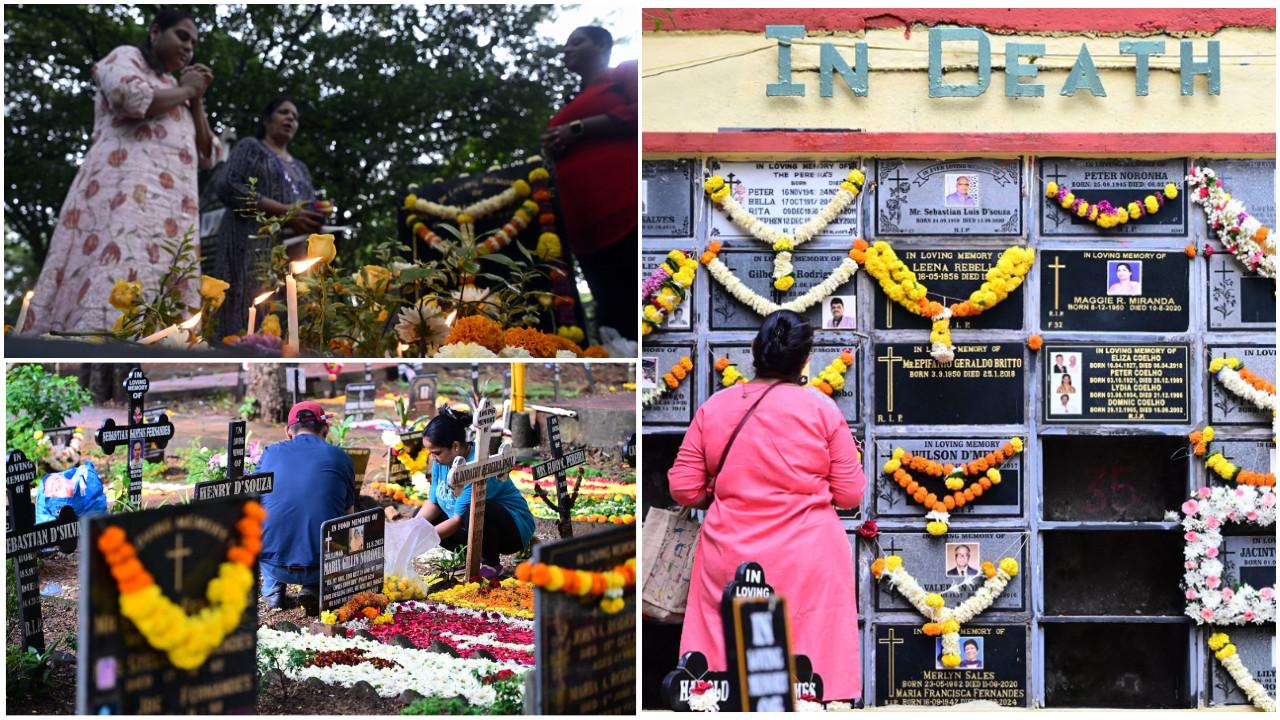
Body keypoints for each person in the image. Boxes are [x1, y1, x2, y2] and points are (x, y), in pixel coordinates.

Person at [668, 310, 865, 701]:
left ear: (755, 350)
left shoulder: (716, 407)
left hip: (730, 554)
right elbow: (850, 495)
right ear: (806, 360)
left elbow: (683, 488)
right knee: (807, 664)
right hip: (808, 558)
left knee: (724, 664)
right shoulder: (822, 411)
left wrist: (722, 491)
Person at [22, 9, 221, 335]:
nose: (189, 47)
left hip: (172, 214)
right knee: (115, 268)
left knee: (163, 286)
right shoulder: (127, 58)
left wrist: (196, 100)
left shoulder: (176, 88)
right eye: (182, 36)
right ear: (155, 31)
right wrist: (187, 92)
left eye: (194, 43)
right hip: (122, 196)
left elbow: (208, 154)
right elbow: (129, 98)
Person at [541, 26, 637, 340]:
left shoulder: (622, 74)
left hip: (626, 212)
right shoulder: (572, 100)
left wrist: (577, 128)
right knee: (612, 315)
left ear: (602, 45)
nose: (566, 50)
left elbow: (641, 113)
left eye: (576, 42)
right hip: (584, 229)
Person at [213, 96, 326, 338]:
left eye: (295, 117)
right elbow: (229, 187)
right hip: (249, 246)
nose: (290, 119)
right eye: (284, 112)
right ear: (267, 119)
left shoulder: (301, 168)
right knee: (249, 311)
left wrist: (317, 212)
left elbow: (306, 207)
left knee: (289, 316)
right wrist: (285, 212)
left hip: (291, 254)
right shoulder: (250, 148)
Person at [258, 401, 355, 611]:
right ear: (326, 429)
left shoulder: (270, 454)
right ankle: (312, 587)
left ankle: (273, 590)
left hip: (273, 564)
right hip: (323, 566)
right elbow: (348, 515)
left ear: (288, 431)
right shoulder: (340, 457)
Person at [413, 408, 536, 570]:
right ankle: (471, 557)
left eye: (436, 452)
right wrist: (411, 531)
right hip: (471, 527)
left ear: (455, 446)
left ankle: (490, 564)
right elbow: (434, 503)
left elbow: (458, 520)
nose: (432, 458)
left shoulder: (476, 465)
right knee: (420, 520)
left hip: (511, 531)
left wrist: (422, 539)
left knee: (474, 508)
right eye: (429, 452)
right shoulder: (440, 462)